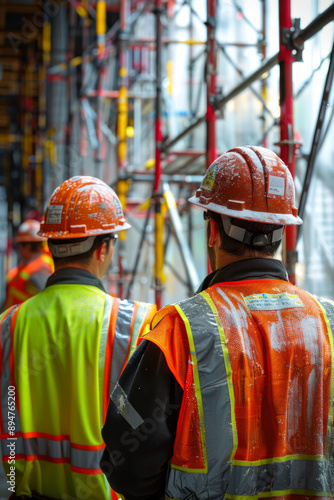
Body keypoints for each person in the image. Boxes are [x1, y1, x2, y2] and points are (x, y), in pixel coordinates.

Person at [100, 146, 334, 499]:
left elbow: (127, 466)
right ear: (283, 231)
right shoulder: (328, 324)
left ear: (213, 231)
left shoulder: (179, 332)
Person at [0, 176, 156, 500]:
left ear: (51, 245)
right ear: (103, 248)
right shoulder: (137, 323)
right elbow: (146, 429)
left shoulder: (8, 325)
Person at [2, 219, 54, 311]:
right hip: (15, 320)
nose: (18, 249)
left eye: (19, 245)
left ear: (27, 246)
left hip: (27, 322)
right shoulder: (26, 265)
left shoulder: (40, 268)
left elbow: (47, 304)